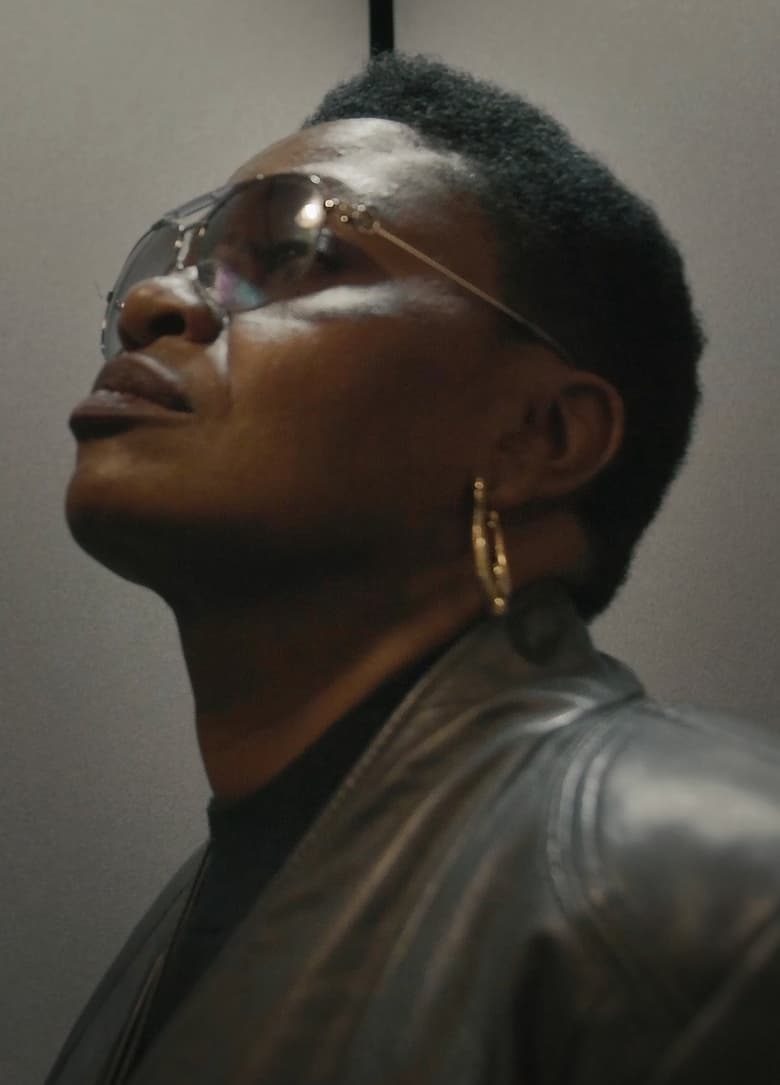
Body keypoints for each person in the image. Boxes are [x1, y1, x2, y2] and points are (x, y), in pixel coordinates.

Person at [47, 52, 780, 1085]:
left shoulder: (704, 893)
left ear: (539, 436)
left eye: (298, 253)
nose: (154, 303)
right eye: (172, 260)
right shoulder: (213, 894)